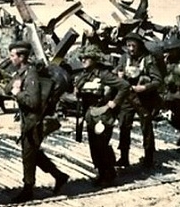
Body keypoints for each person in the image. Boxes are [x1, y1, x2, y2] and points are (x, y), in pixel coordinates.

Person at [8, 42, 69, 203]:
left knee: (28, 155)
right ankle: (59, 176)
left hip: (34, 121)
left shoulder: (31, 75)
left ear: (21, 57)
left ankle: (28, 189)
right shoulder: (22, 72)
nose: (10, 58)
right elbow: (12, 87)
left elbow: (34, 102)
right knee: (33, 153)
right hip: (28, 119)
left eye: (13, 55)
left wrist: (18, 94)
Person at [74, 45, 130, 187]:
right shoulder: (85, 74)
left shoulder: (104, 74)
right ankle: (101, 172)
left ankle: (109, 172)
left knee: (102, 145)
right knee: (94, 145)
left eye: (86, 58)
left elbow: (124, 86)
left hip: (103, 114)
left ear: (94, 59)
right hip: (91, 114)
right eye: (82, 58)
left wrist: (115, 102)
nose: (83, 60)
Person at [115, 33, 163, 168]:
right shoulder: (124, 58)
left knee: (146, 128)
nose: (130, 49)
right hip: (127, 97)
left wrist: (145, 87)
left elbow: (158, 80)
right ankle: (124, 157)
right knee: (124, 126)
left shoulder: (148, 60)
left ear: (139, 46)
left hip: (144, 99)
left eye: (133, 46)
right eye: (128, 45)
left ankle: (149, 158)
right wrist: (119, 74)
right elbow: (117, 71)